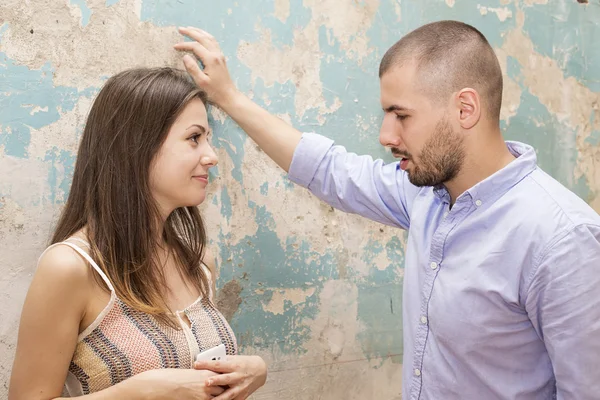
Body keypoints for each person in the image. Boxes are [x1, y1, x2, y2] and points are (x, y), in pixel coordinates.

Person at [175, 21, 600, 399]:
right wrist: (228, 97)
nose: (385, 134)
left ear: (465, 109)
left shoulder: (562, 239)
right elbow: (329, 170)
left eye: (401, 115)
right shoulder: (426, 196)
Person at [9, 68, 266, 400]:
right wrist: (140, 392)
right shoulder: (70, 267)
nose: (211, 156)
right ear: (138, 145)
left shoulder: (199, 263)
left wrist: (254, 370)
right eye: (194, 138)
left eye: (208, 139)